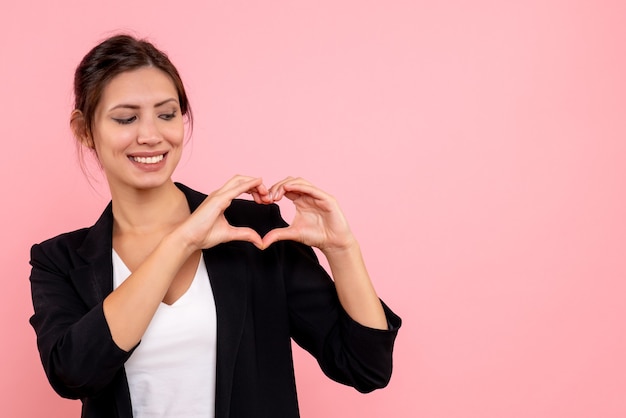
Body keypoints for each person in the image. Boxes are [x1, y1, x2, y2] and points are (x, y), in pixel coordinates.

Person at [29, 34, 401, 418]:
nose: (151, 135)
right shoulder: (58, 261)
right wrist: (183, 240)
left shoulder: (253, 231)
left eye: (167, 114)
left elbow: (366, 367)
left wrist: (342, 250)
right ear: (84, 130)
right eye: (126, 118)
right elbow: (74, 374)